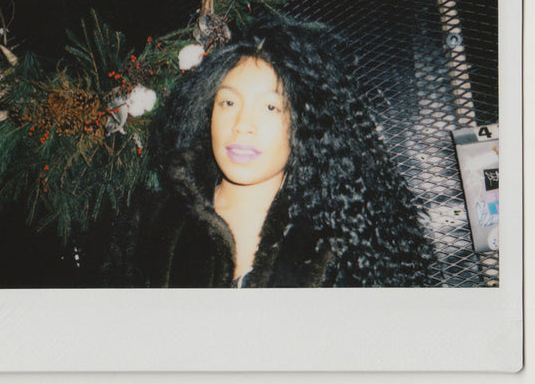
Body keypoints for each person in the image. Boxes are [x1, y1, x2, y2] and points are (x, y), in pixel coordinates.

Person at [102, 15, 438, 287]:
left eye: (270, 108)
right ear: (207, 112)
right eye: (228, 102)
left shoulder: (341, 240)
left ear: (303, 123)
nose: (243, 123)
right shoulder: (151, 226)